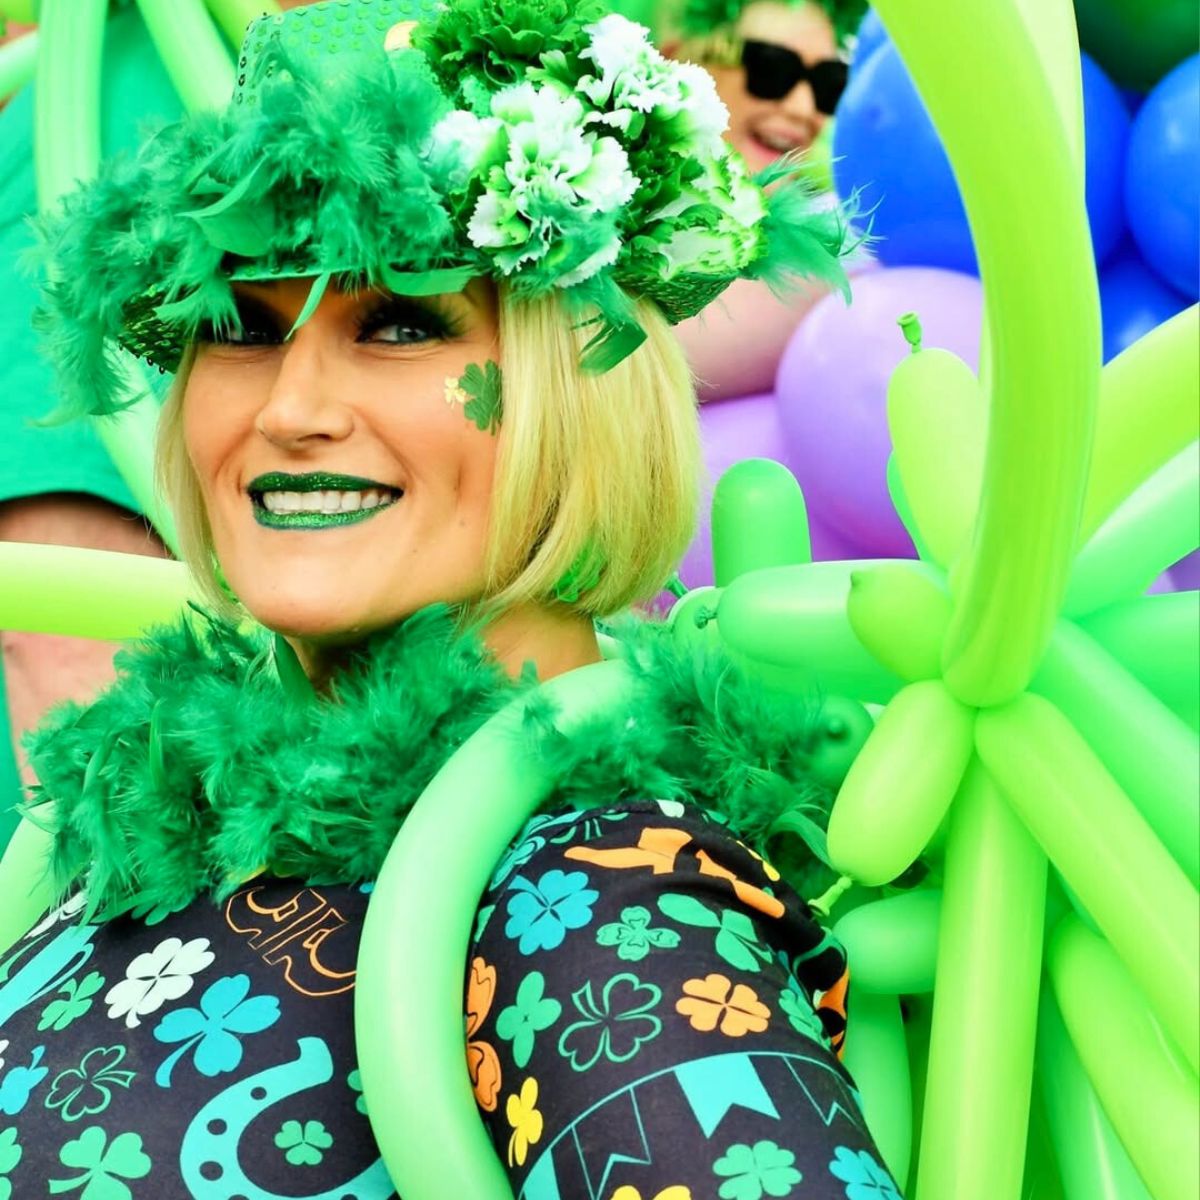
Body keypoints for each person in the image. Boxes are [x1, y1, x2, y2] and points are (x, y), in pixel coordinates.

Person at [0, 2, 899, 1197]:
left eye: (401, 321)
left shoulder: (594, 892)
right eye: (239, 327)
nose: (291, 410)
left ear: (573, 384)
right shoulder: (145, 821)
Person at [664, 0, 870, 400]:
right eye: (773, 69)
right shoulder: (574, 195)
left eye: (829, 84)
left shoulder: (842, 238)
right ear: (677, 65)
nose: (804, 108)